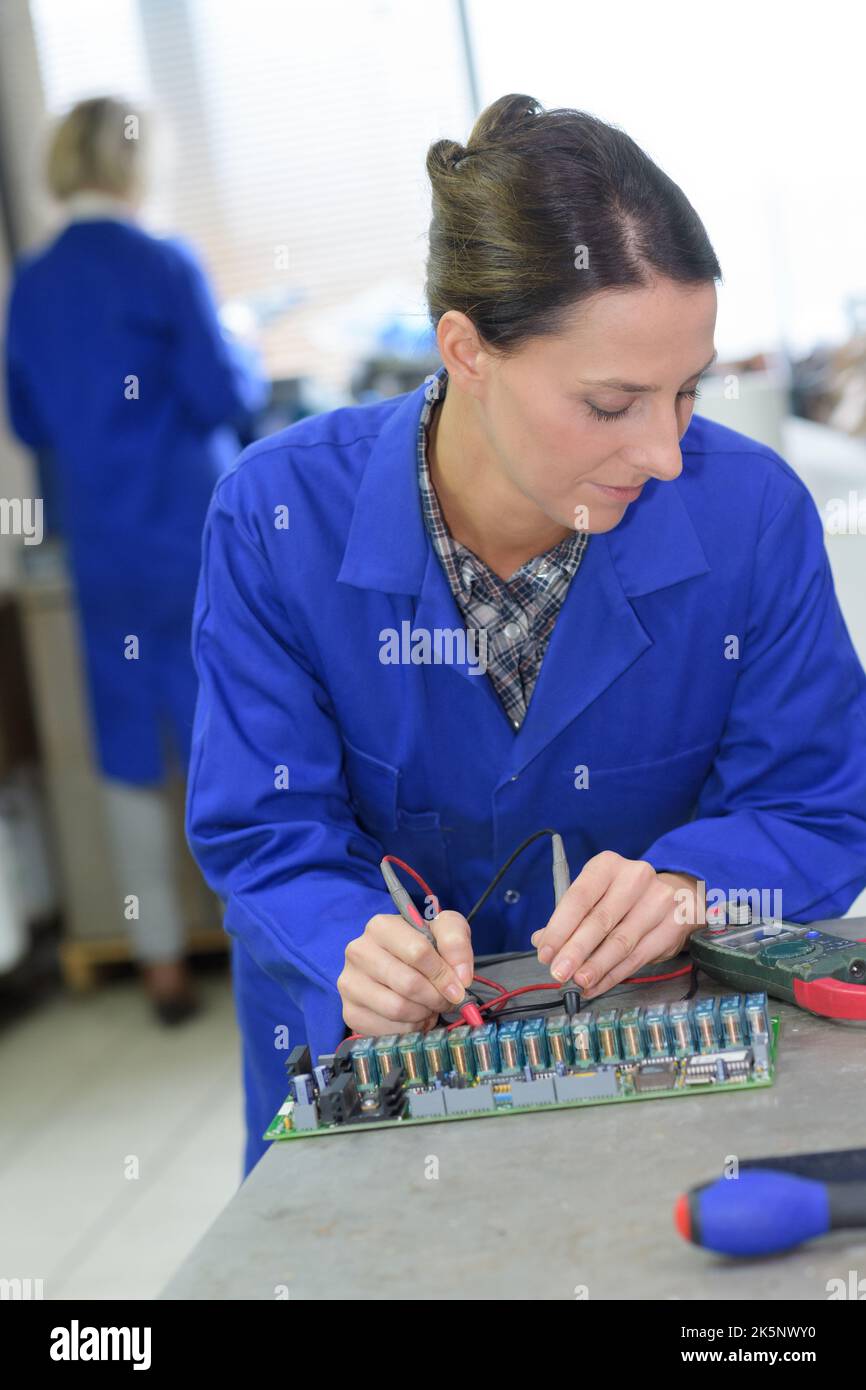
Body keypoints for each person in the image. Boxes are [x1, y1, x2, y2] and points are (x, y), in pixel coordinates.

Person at [185, 94, 866, 1176]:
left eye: (686, 393)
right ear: (465, 348)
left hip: (667, 1072)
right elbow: (265, 833)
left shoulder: (750, 518)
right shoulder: (278, 520)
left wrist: (692, 885)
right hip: (376, 1097)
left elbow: (817, 804)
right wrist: (348, 946)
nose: (664, 453)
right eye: (610, 403)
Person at [5, 96, 268, 1022]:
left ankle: (157, 958)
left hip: (101, 547)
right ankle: (261, 944)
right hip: (191, 535)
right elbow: (221, 392)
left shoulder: (32, 285)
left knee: (126, 747)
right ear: (133, 164)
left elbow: (30, 419)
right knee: (229, 733)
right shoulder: (161, 264)